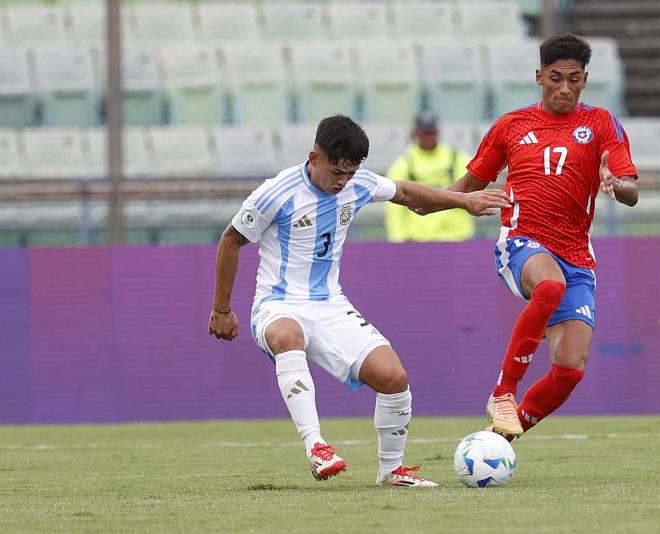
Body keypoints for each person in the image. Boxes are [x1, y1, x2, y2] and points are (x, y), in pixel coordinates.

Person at [207, 115, 510, 486]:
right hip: (278, 303)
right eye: (336, 172)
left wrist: (463, 200)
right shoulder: (277, 192)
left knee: (394, 378)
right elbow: (231, 239)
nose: (342, 182)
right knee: (288, 337)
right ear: (314, 157)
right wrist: (222, 307)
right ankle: (316, 446)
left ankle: (391, 472)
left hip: (330, 304)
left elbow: (406, 194)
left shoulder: (357, 184)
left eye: (350, 174)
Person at [444, 34, 639, 438]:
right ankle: (503, 392)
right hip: (521, 242)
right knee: (549, 286)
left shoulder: (601, 122)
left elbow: (632, 192)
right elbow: (470, 182)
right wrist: (425, 200)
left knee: (569, 370)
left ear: (585, 79)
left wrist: (616, 185)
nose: (564, 88)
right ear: (539, 77)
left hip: (578, 256)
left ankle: (497, 442)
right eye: (555, 78)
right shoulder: (512, 126)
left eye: (574, 79)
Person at [385, 111, 474, 242]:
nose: (427, 137)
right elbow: (395, 209)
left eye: (430, 133)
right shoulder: (403, 165)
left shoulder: (458, 160)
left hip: (456, 238)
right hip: (418, 240)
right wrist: (397, 240)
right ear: (415, 134)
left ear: (438, 133)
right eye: (423, 133)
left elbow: (472, 190)